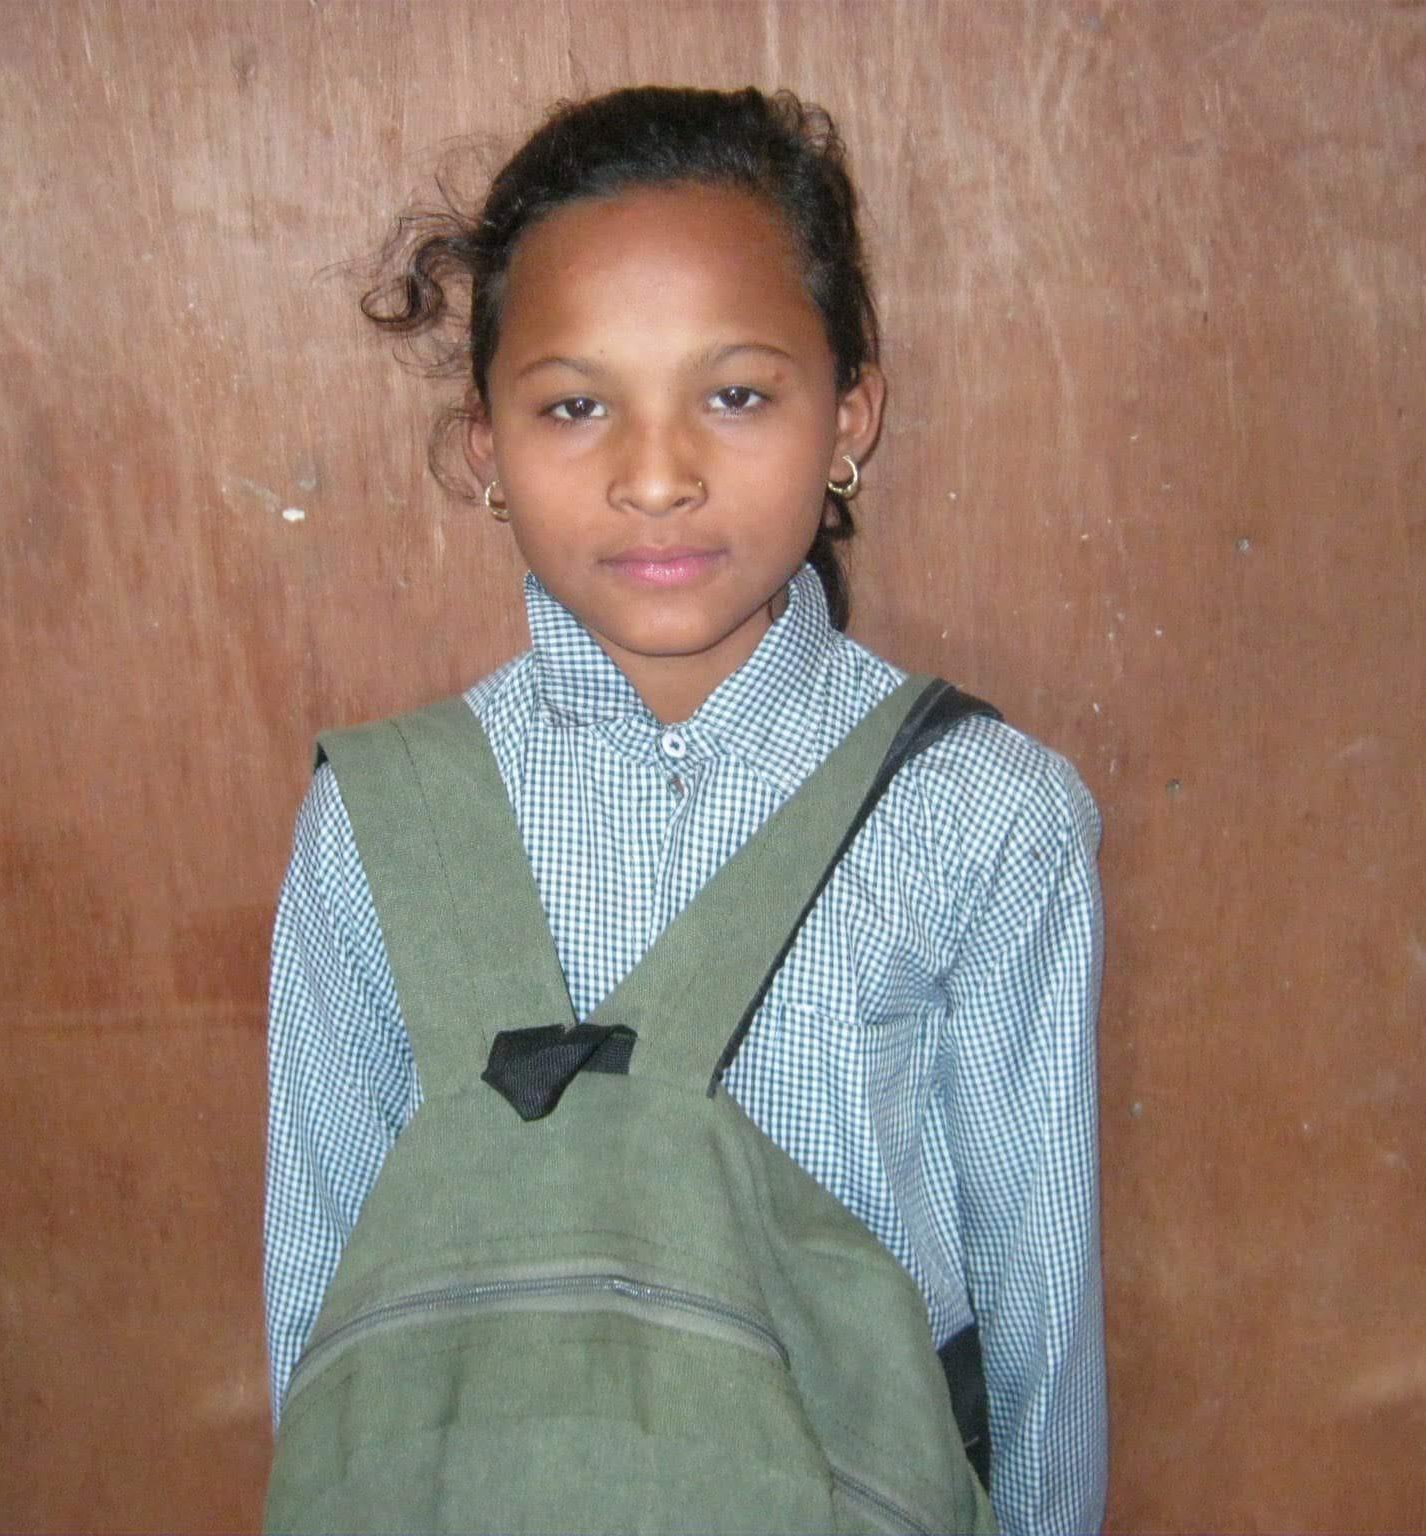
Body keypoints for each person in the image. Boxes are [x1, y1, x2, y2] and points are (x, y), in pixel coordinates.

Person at [264, 85, 1106, 1536]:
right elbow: (320, 1307)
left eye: (736, 393)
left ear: (851, 413)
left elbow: (1037, 1310)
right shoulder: (378, 821)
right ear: (484, 447)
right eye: (576, 405)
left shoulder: (984, 816)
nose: (656, 476)